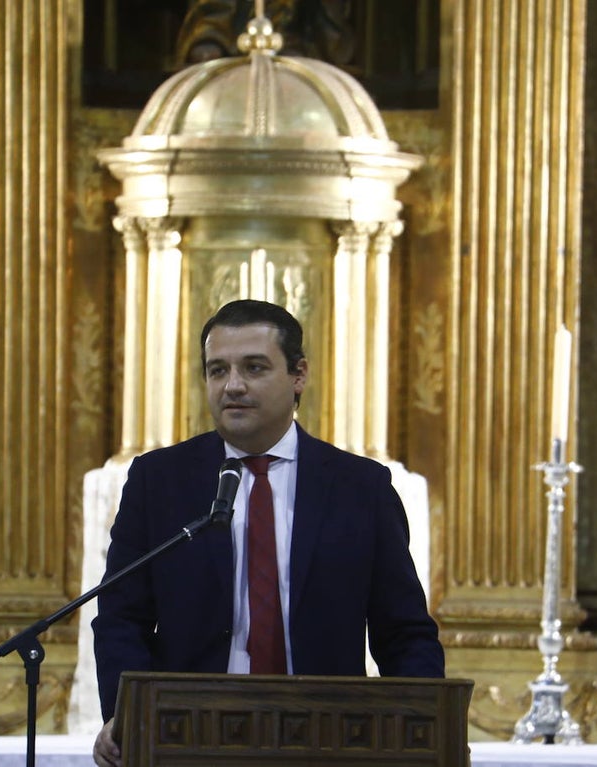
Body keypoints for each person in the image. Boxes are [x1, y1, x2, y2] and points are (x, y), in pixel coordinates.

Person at [91, 299, 444, 767]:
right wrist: (124, 714)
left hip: (327, 737)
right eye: (217, 370)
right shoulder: (160, 480)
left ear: (298, 376)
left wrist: (423, 727)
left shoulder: (361, 487)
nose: (232, 386)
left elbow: (403, 632)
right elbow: (120, 617)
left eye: (253, 368)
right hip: (188, 735)